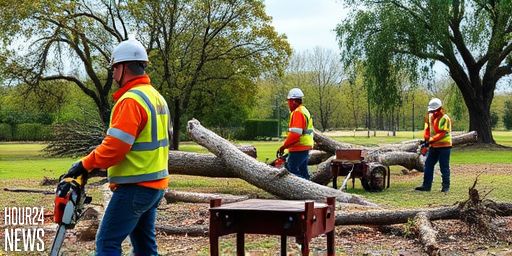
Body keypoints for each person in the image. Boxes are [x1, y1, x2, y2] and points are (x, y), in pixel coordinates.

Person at [63, 38, 171, 255]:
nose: (113, 74)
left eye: (114, 68)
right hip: (155, 185)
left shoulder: (131, 100)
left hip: (135, 187)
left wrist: (85, 164)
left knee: (107, 243)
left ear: (122, 67)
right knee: (144, 248)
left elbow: (116, 147)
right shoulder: (156, 97)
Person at [415, 97, 452, 193]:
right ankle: (426, 185)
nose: (433, 112)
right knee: (428, 164)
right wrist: (426, 142)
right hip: (433, 146)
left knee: (444, 166)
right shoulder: (430, 117)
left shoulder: (445, 118)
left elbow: (442, 133)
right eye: (432, 111)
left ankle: (446, 187)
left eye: (434, 110)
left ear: (440, 108)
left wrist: (430, 141)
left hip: (444, 146)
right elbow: (427, 129)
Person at [277, 88, 314, 179]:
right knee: (303, 172)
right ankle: (308, 189)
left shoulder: (297, 113)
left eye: (288, 101)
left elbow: (295, 135)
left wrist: (283, 147)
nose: (288, 104)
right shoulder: (304, 110)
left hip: (299, 147)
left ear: (293, 101)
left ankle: (302, 190)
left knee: (291, 171)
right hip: (305, 146)